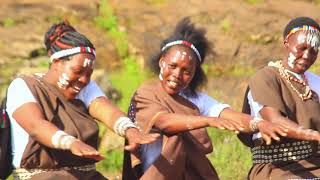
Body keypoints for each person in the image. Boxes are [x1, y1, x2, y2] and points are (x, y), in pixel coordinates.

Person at [121, 17, 298, 180]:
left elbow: (229, 115)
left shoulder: (196, 98)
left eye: (186, 71)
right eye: (172, 66)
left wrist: (259, 124)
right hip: (153, 173)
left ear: (194, 74)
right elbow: (164, 122)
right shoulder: (147, 91)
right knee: (174, 138)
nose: (176, 75)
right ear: (161, 62)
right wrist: (207, 121)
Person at [6, 20, 158, 180]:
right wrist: (70, 143)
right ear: (56, 62)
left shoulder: (86, 87)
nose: (84, 79)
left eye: (89, 73)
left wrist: (130, 130)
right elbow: (36, 126)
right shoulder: (23, 86)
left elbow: (107, 111)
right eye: (77, 71)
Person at [240, 17, 320, 179]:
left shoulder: (315, 82)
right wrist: (315, 136)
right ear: (286, 44)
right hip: (278, 167)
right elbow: (275, 121)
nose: (307, 55)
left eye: (313, 50)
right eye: (302, 48)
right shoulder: (265, 77)